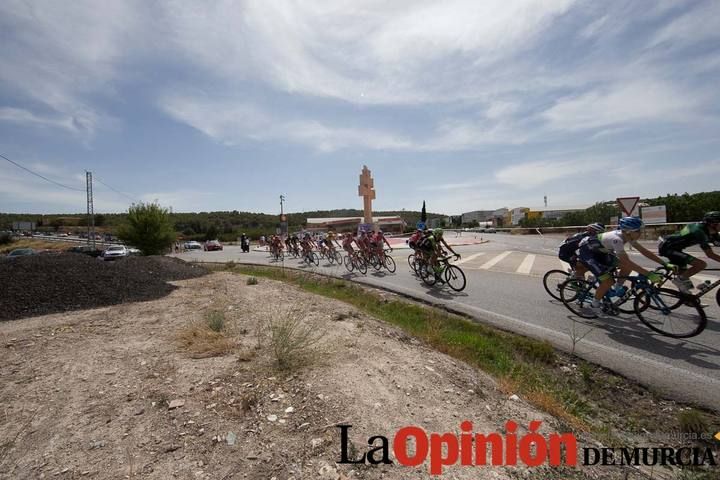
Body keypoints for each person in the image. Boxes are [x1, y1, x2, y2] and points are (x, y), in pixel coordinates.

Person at [577, 216, 669, 312]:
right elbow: (626, 261)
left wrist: (664, 263)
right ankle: (594, 305)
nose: (641, 233)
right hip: (588, 253)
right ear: (629, 231)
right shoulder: (617, 239)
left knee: (626, 268)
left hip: (601, 252)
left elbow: (644, 251)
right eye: (638, 231)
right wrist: (649, 274)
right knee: (608, 281)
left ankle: (616, 290)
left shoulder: (627, 235)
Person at [658, 211, 720, 293]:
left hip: (677, 248)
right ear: (713, 224)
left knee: (686, 283)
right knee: (700, 264)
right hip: (667, 247)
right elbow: (710, 254)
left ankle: (688, 299)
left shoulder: (712, 231)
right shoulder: (699, 232)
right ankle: (678, 280)